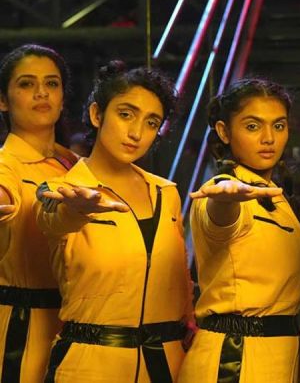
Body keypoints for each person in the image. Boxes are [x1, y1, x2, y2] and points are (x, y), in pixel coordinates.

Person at [35, 61, 192, 382]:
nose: (136, 133)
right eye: (126, 114)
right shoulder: (61, 190)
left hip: (168, 364)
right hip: (90, 364)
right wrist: (75, 211)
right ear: (97, 114)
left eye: (151, 122)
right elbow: (52, 219)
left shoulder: (167, 193)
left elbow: (180, 283)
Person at [178, 78, 300, 383]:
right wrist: (224, 200)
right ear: (224, 131)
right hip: (233, 358)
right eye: (253, 126)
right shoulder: (221, 190)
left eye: (278, 126)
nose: (269, 138)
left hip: (281, 353)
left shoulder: (281, 199)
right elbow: (222, 217)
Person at [0, 45, 77, 383]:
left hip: (80, 326)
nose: (42, 92)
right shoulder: (6, 166)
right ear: (3, 101)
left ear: (62, 97)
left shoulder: (76, 165)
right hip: (21, 329)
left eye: (52, 83)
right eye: (27, 84)